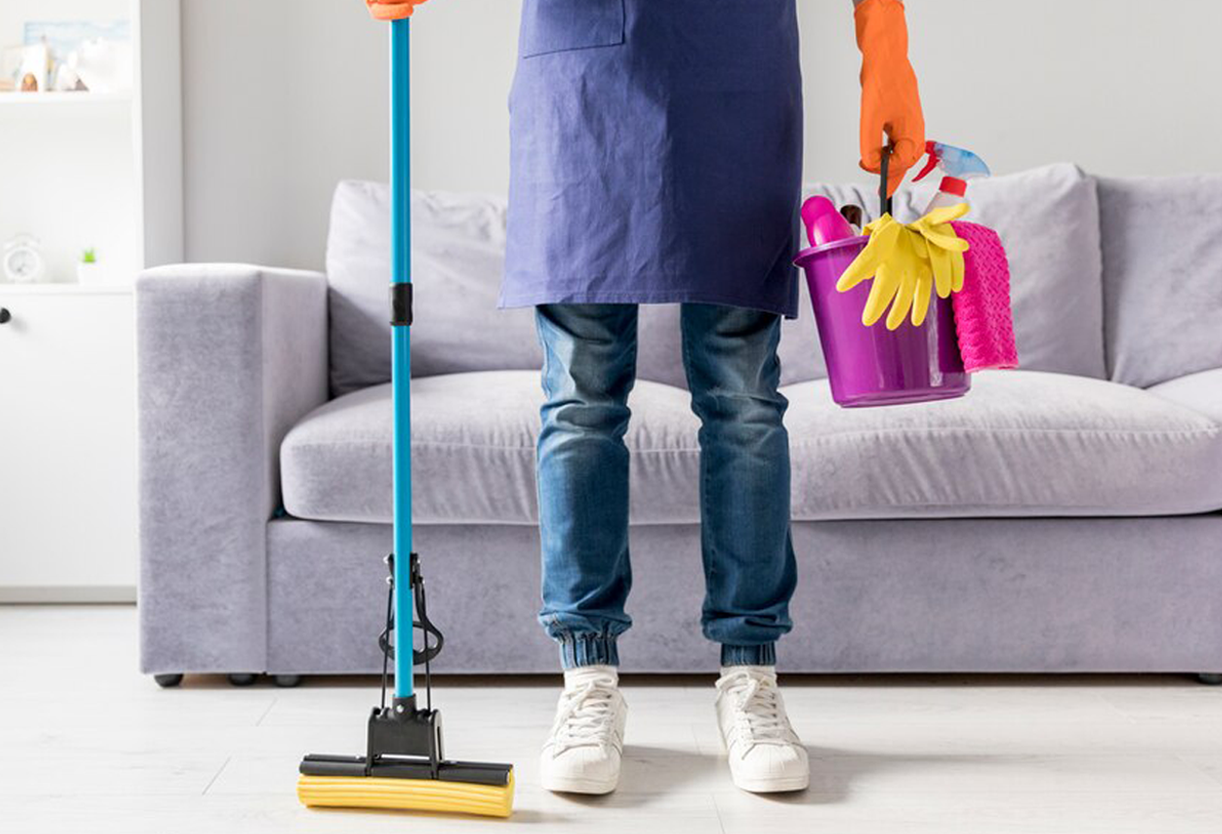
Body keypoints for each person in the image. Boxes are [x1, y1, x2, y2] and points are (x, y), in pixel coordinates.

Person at [364, 0, 925, 795]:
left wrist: (887, 53)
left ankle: (750, 677)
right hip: (582, 71)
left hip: (739, 68)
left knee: (742, 396)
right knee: (581, 394)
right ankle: (586, 678)